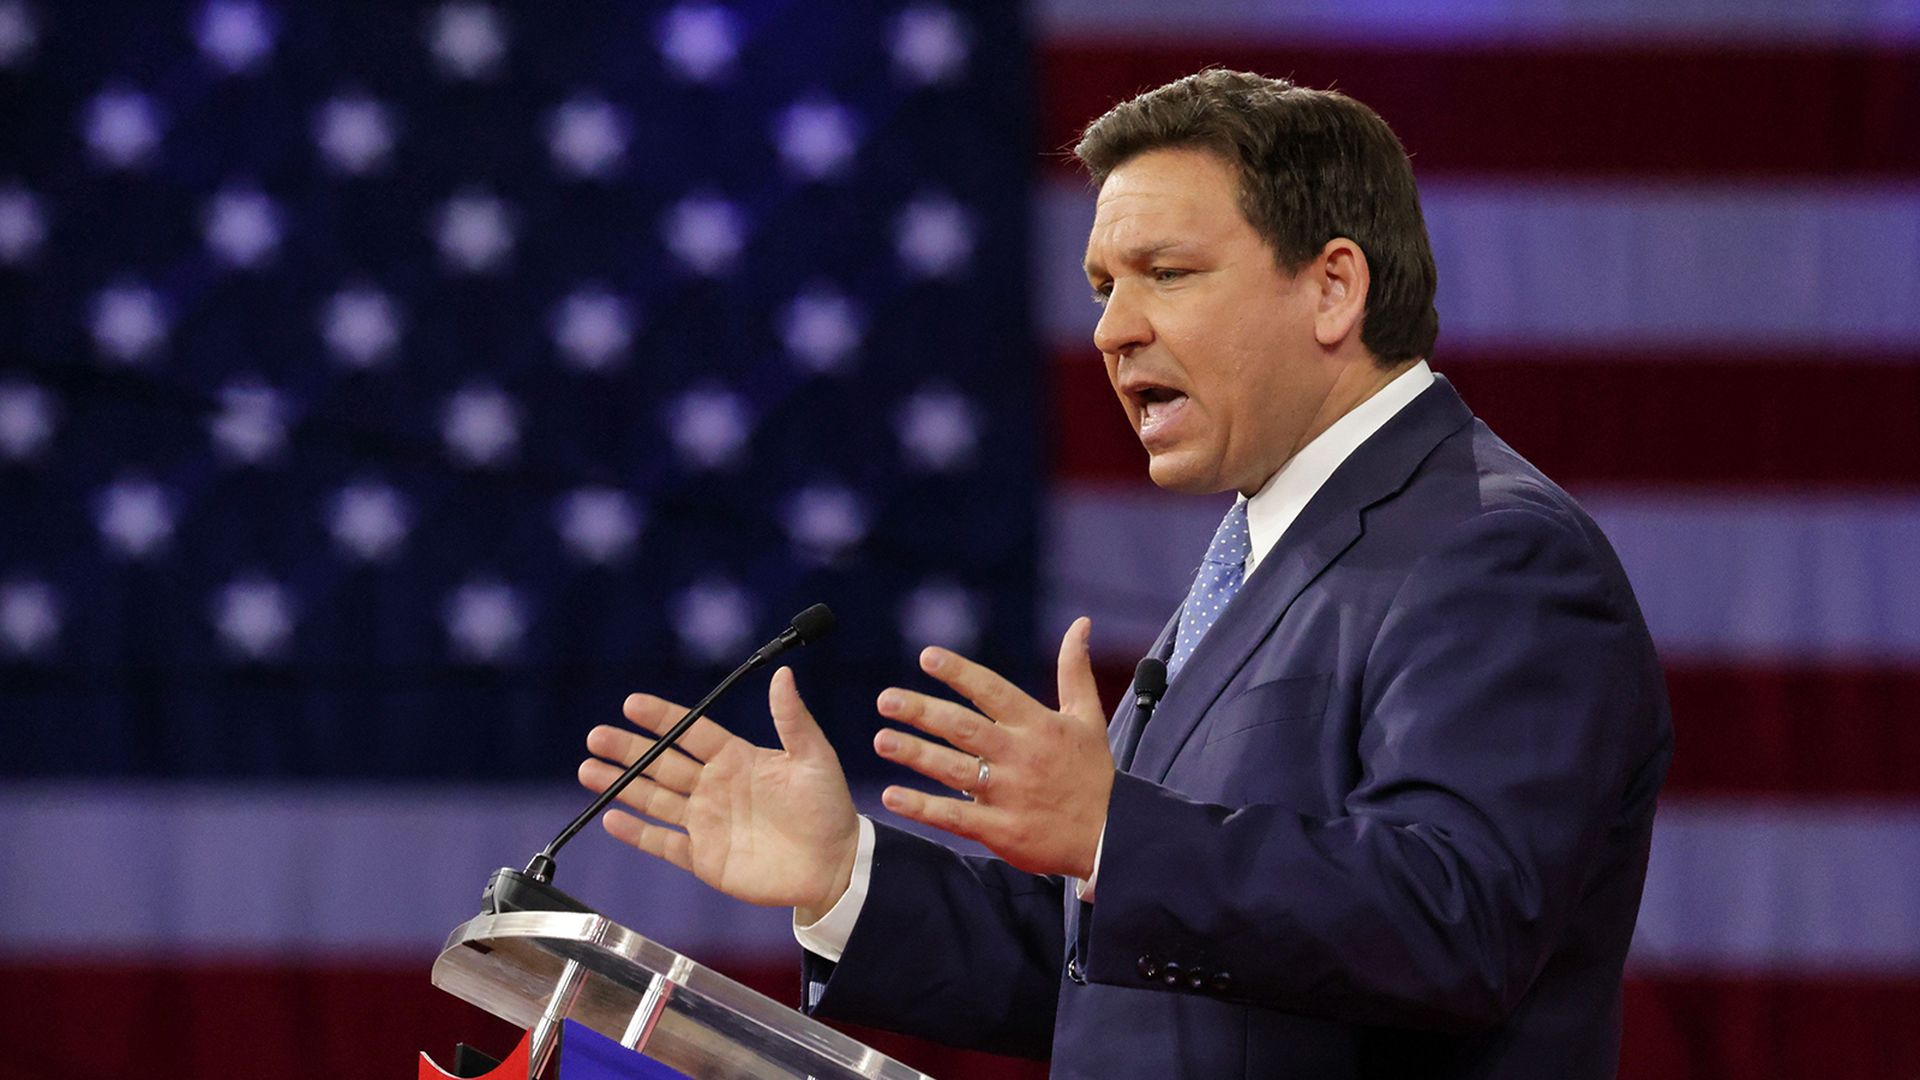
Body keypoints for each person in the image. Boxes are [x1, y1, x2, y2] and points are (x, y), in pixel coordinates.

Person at [578, 69, 1672, 1079]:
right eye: (1104, 284)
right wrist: (845, 878)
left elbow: (1453, 921)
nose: (1111, 329)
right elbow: (1127, 973)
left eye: (1167, 273)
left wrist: (1114, 832)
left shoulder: (1491, 552)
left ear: (1334, 287)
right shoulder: (1271, 546)